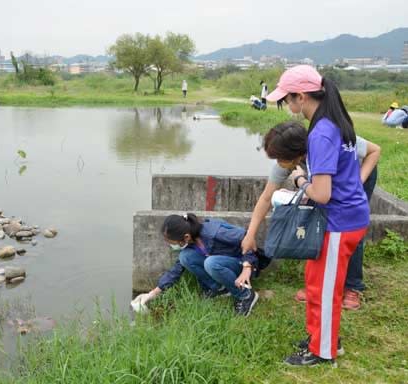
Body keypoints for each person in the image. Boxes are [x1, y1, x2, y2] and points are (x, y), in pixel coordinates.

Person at [265, 65, 371, 366]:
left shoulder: (321, 133)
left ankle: (323, 351)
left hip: (339, 221)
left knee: (324, 289)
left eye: (287, 100)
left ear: (301, 96)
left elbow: (322, 193)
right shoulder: (335, 121)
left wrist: (300, 180)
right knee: (318, 282)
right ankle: (320, 337)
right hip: (345, 217)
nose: (287, 106)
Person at [243, 122, 380, 311]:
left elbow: (374, 151)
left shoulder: (329, 141)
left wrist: (355, 185)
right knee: (319, 227)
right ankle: (320, 285)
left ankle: (352, 287)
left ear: (295, 153)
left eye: (279, 158)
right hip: (323, 186)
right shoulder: (289, 163)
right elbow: (266, 197)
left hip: (359, 175)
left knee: (350, 230)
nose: (278, 164)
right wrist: (250, 234)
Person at [132, 213, 268, 317]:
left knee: (211, 263)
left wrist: (247, 268)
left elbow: (247, 238)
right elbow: (176, 271)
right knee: (184, 257)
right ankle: (220, 289)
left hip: (242, 265)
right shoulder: (191, 244)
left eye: (173, 242)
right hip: (223, 267)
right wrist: (152, 294)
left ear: (185, 237)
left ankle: (245, 295)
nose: (172, 245)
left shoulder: (214, 232)